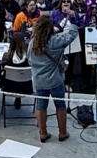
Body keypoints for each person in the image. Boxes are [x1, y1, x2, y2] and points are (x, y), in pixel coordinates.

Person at [29, 13, 78, 143]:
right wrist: (73, 21)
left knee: (41, 106)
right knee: (60, 105)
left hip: (39, 80)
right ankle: (62, 132)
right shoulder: (55, 40)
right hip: (55, 79)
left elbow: (29, 60)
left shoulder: (32, 43)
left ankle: (43, 133)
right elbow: (71, 35)